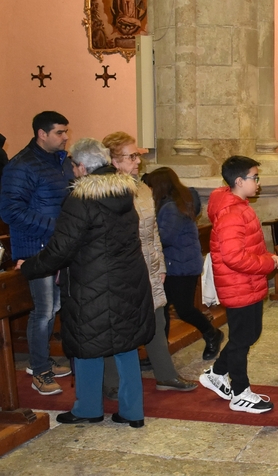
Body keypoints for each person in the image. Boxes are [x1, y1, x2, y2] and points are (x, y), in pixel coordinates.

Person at [19, 138, 154, 427]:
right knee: (125, 345)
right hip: (128, 279)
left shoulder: (81, 199)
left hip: (91, 283)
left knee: (86, 343)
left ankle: (88, 408)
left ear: (80, 167)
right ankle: (133, 412)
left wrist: (28, 267)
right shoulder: (123, 192)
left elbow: (61, 249)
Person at [102, 132, 196, 394]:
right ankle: (111, 383)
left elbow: (153, 231)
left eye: (137, 155)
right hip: (122, 269)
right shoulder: (107, 191)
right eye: (131, 156)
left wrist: (161, 265)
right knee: (118, 325)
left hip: (150, 266)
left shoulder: (142, 189)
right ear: (114, 160)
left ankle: (166, 375)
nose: (137, 162)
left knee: (157, 322)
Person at [0, 111, 74, 395]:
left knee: (54, 307)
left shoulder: (60, 162)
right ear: (42, 134)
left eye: (66, 131)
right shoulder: (21, 166)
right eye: (59, 132)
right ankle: (39, 370)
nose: (65, 137)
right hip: (36, 250)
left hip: (59, 247)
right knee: (43, 312)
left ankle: (40, 360)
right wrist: (56, 229)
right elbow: (11, 211)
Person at [199, 156, 278, 413]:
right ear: (238, 181)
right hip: (238, 285)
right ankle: (240, 392)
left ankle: (217, 373)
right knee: (242, 338)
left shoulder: (238, 205)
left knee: (248, 335)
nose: (258, 182)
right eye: (254, 177)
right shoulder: (232, 212)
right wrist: (267, 262)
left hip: (248, 283)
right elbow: (233, 257)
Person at [143, 167, 224, 360]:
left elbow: (165, 237)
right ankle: (160, 354)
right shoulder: (175, 203)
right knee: (163, 309)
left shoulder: (171, 207)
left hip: (180, 266)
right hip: (178, 264)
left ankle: (212, 334)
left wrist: (145, 237)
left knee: (184, 309)